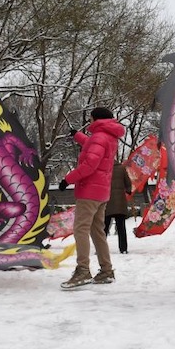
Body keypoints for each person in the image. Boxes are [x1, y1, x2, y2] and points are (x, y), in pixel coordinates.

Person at [59, 107, 125, 289]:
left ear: (95, 118)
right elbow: (94, 148)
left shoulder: (99, 136)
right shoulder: (109, 136)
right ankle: (106, 270)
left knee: (80, 228)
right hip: (102, 192)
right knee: (97, 231)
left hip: (89, 191)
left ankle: (83, 270)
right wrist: (77, 136)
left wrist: (67, 179)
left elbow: (89, 164)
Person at [104, 162, 133, 254]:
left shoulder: (104, 168)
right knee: (121, 227)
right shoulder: (121, 168)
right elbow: (128, 183)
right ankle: (123, 248)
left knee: (104, 227)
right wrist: (128, 191)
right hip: (120, 201)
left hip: (107, 200)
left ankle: (100, 248)